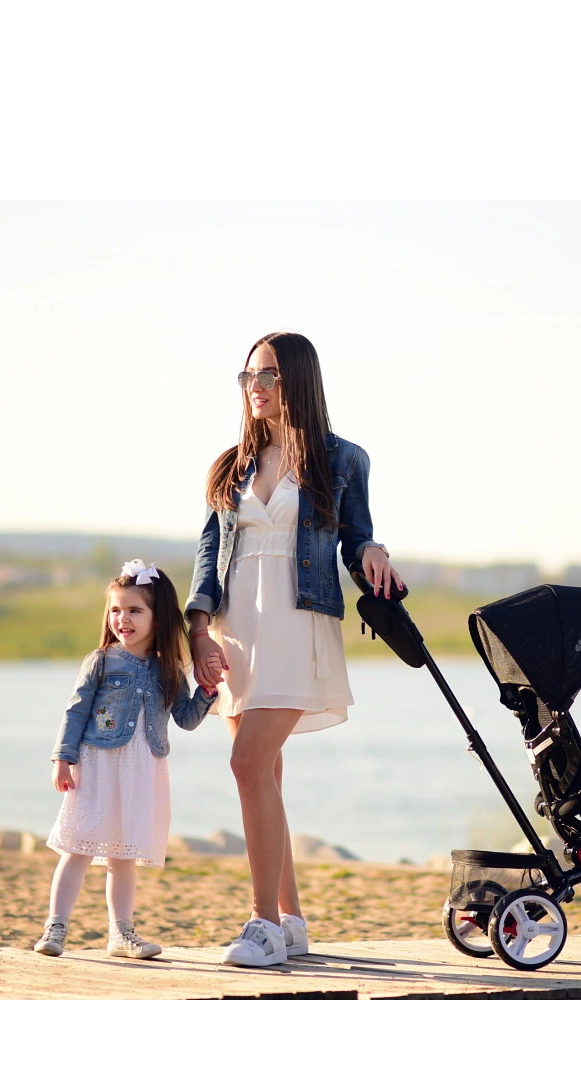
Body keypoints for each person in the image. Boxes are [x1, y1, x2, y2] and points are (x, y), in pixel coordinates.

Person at [186, 331, 405, 968]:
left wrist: (371, 551)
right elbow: (208, 554)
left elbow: (356, 536)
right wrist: (198, 632)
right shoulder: (229, 466)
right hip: (235, 630)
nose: (255, 387)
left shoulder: (342, 459)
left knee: (247, 765)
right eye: (248, 376)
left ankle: (261, 925)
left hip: (297, 622)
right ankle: (292, 922)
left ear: (298, 380)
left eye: (269, 376)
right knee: (266, 775)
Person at [34, 560, 220, 959]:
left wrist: (207, 692)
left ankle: (121, 934)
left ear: (158, 617)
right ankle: (56, 926)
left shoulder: (169, 668)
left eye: (135, 610)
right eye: (116, 610)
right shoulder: (101, 661)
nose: (123, 619)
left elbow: (186, 720)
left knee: (123, 857)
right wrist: (62, 758)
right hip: (97, 766)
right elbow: (76, 711)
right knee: (77, 848)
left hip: (142, 770)